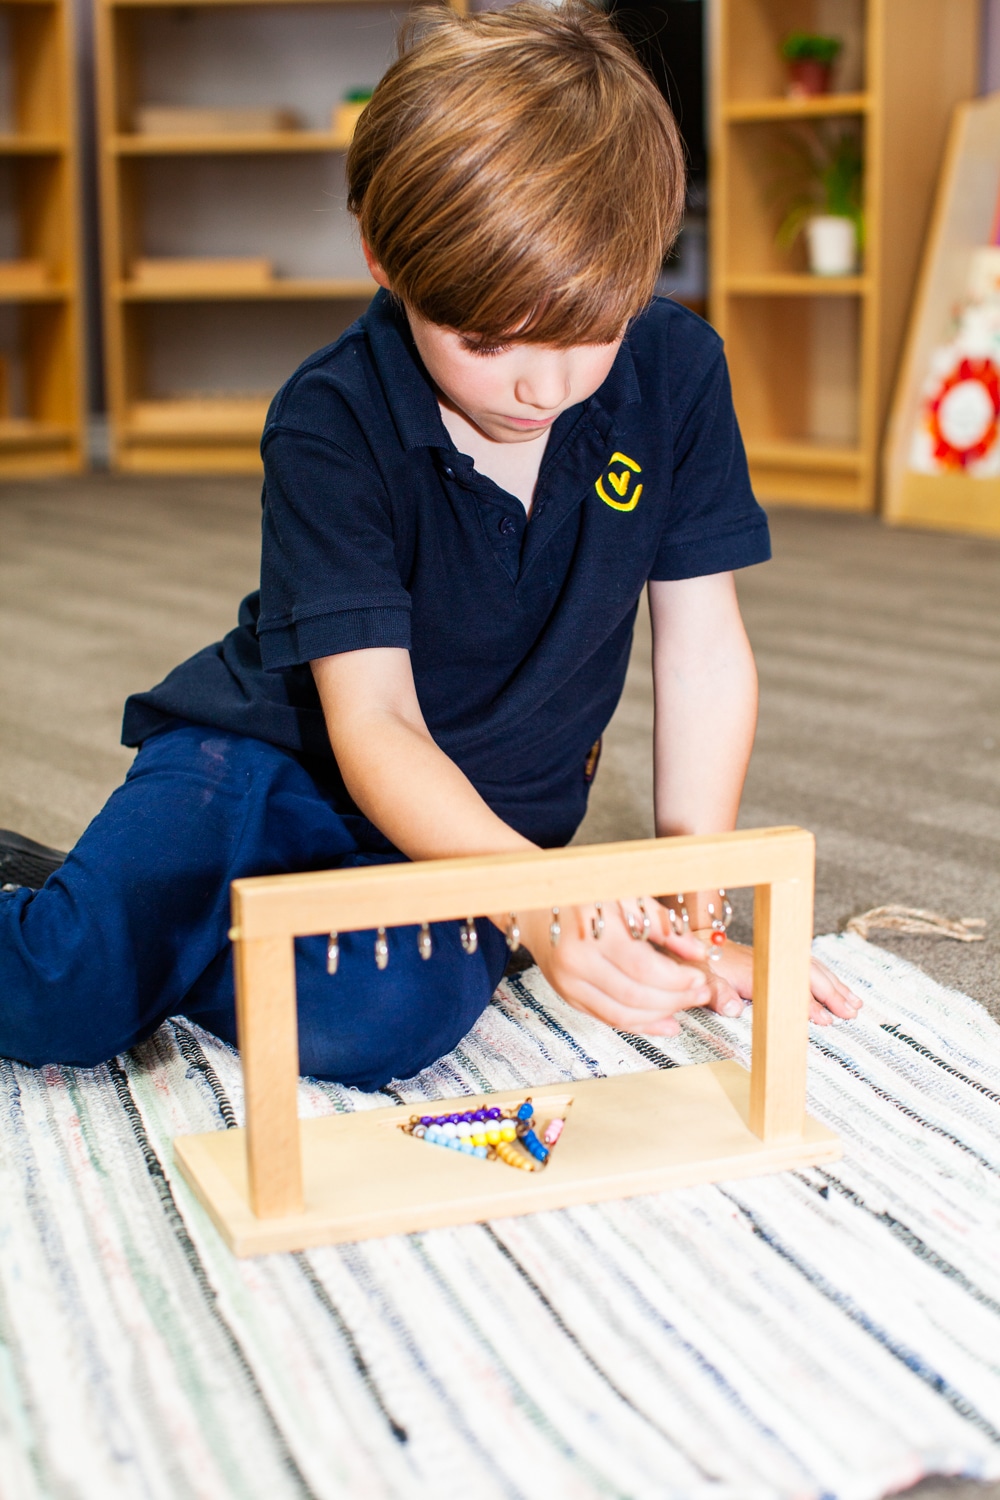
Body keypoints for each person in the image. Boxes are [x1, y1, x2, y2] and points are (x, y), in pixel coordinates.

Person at [0, 1, 860, 1088]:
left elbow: (701, 649)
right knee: (65, 996)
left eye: (589, 334)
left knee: (380, 1030)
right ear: (382, 258)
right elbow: (376, 724)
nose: (540, 388)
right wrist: (541, 903)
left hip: (483, 822)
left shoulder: (678, 373)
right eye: (488, 340)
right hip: (265, 766)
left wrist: (692, 914)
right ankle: (94, 919)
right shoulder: (331, 418)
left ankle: (158, 931)